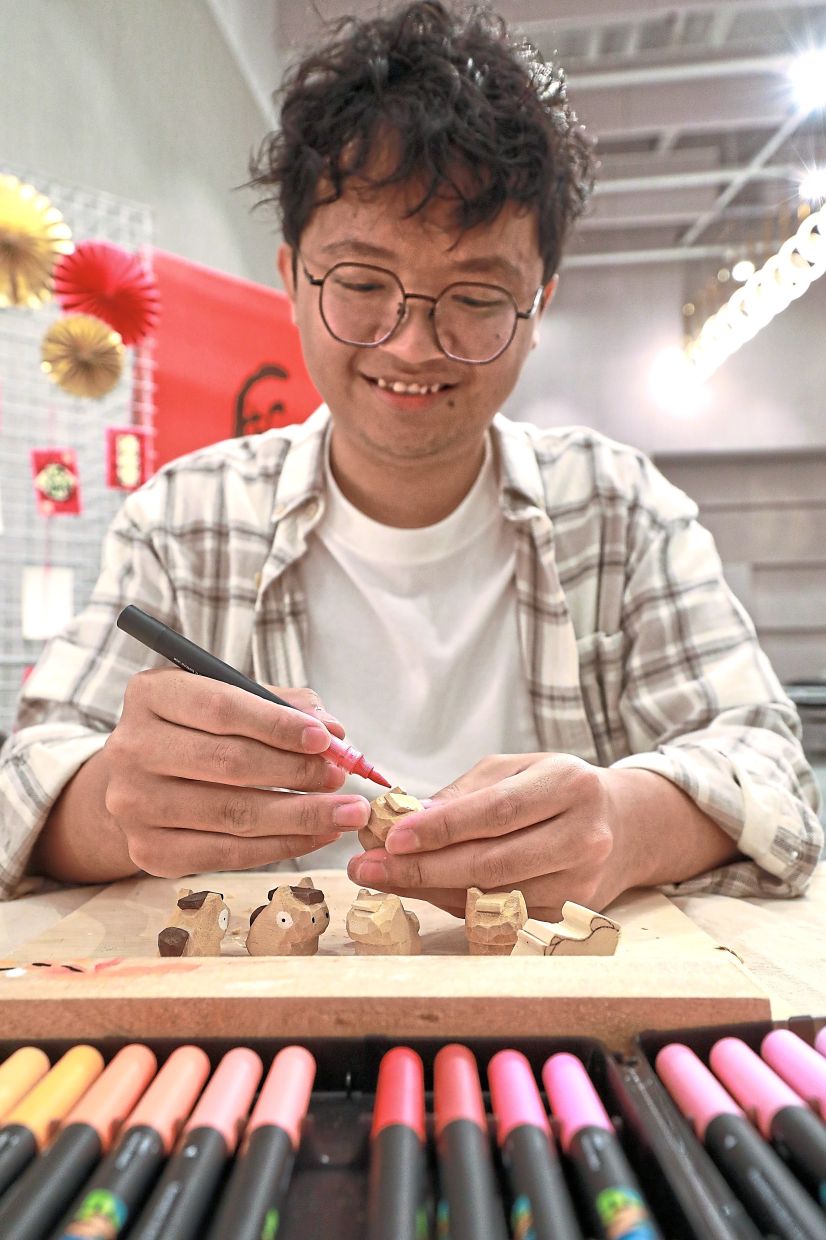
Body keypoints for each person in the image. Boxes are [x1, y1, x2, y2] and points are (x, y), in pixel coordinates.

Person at [0, 1, 821, 917]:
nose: (410, 345)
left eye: (474, 297)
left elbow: (775, 773)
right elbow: (19, 789)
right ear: (291, 279)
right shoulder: (185, 519)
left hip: (557, 1033)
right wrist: (118, 804)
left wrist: (624, 824)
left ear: (538, 308)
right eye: (360, 284)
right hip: (253, 1031)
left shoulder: (623, 510)